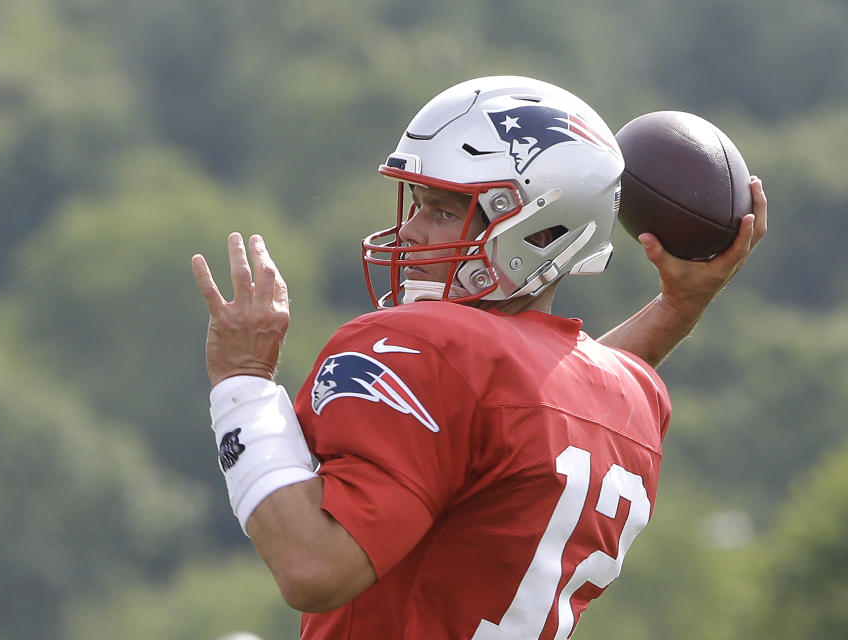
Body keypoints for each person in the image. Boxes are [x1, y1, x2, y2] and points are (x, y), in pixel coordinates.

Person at [192, 76, 767, 639]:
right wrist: (682, 304)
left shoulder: (434, 348)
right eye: (418, 203)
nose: (412, 231)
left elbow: (313, 568)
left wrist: (242, 381)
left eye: (445, 211)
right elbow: (547, 392)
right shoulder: (634, 396)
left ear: (539, 233)